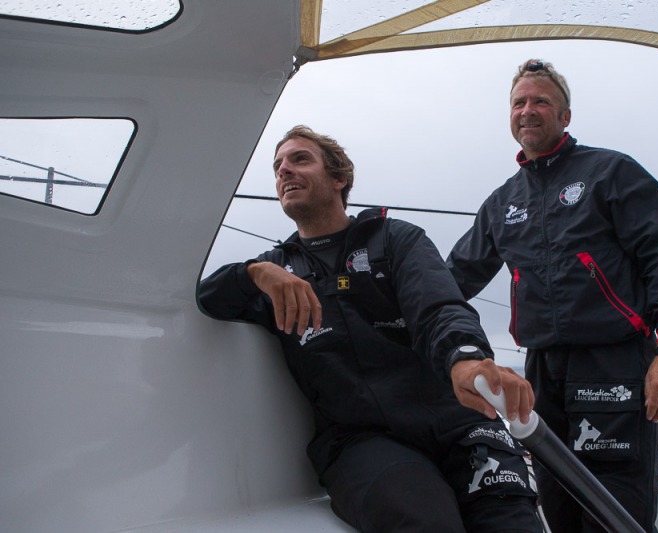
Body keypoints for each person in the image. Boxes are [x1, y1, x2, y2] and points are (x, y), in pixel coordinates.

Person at [199, 125, 543, 533]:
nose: (284, 172)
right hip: (364, 443)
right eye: (277, 167)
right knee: (424, 522)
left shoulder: (395, 240)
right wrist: (252, 272)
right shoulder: (274, 273)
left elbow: (438, 307)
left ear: (339, 178)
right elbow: (203, 301)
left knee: (513, 523)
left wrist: (465, 358)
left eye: (299, 159)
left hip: (460, 425)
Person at [446, 60, 658, 533]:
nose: (528, 110)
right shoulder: (504, 203)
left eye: (541, 101)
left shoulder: (610, 173)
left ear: (565, 116)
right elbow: (452, 279)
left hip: (616, 362)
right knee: (558, 508)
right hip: (543, 370)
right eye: (519, 102)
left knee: (614, 513)